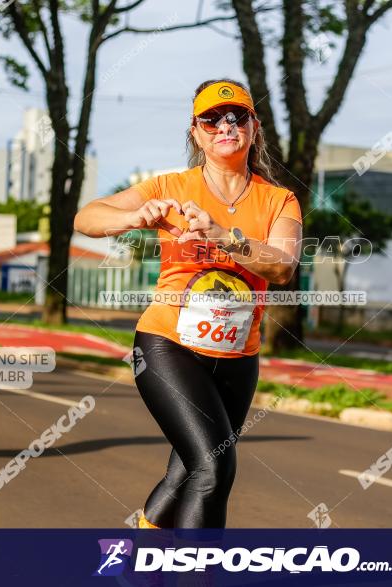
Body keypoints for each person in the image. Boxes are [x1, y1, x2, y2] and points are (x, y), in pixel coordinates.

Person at [74, 79, 302, 528]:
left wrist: (223, 236)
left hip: (238, 358)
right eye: (211, 119)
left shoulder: (279, 199)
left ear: (254, 128)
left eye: (236, 116)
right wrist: (131, 217)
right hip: (167, 346)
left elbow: (282, 264)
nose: (225, 125)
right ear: (195, 132)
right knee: (214, 470)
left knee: (185, 473)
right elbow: (86, 217)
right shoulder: (169, 186)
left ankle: (140, 567)